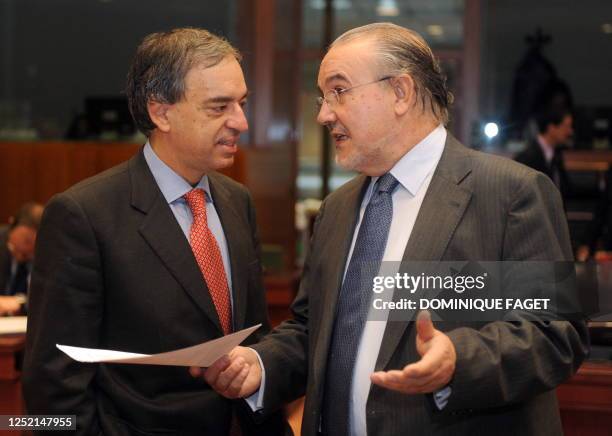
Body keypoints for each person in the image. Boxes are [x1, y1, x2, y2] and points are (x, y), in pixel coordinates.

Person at [201, 23, 589, 435]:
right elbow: (312, 329)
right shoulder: (336, 209)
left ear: (400, 92)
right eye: (322, 96)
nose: (323, 114)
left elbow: (552, 334)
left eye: (338, 91)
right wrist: (260, 364)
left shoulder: (510, 194)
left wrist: (458, 359)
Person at [23, 28, 287, 435]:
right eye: (219, 107)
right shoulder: (84, 215)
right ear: (161, 112)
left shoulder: (237, 201)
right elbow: (53, 380)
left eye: (242, 103)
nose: (242, 122)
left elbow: (254, 334)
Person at [515, 104, 574, 197]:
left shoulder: (556, 154)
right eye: (566, 126)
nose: (570, 131)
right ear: (552, 128)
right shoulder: (527, 157)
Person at [0, 201, 44, 315]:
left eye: (35, 244)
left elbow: (49, 297)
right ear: (11, 225)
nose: (27, 248)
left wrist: (20, 304)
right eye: (26, 240)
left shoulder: (48, 254)